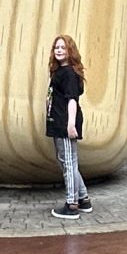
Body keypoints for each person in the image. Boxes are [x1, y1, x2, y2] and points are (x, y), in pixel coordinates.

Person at [46, 33, 92, 216]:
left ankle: (72, 204)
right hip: (58, 122)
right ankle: (83, 199)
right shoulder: (61, 71)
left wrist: (70, 124)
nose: (58, 50)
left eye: (62, 47)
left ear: (70, 50)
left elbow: (72, 100)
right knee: (67, 162)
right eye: (56, 47)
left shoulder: (69, 73)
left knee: (69, 163)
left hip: (65, 123)